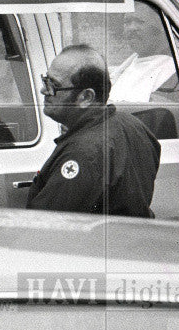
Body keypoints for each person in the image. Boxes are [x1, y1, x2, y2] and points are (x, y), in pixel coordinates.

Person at [27, 44, 161, 217]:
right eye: (45, 80)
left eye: (54, 85)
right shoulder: (134, 126)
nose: (44, 90)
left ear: (86, 97)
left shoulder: (83, 153)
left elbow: (45, 223)